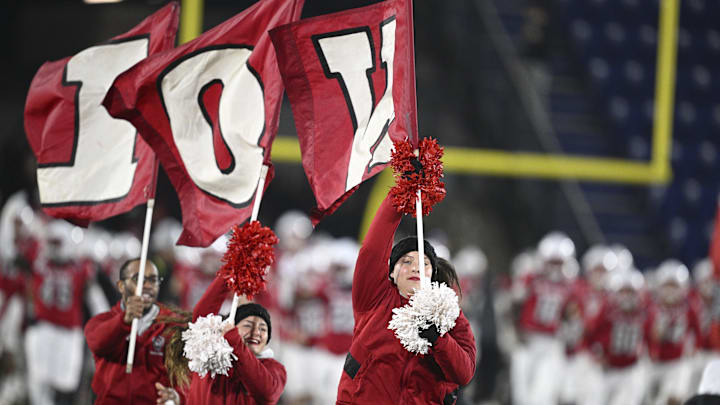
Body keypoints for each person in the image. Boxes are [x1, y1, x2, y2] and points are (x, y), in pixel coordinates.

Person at [335, 188, 476, 404]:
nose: (415, 268)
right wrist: (402, 193)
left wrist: (438, 339)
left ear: (433, 274)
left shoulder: (450, 313)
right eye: (406, 262)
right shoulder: (374, 297)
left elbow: (464, 373)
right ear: (391, 271)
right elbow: (372, 249)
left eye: (424, 264)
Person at [84, 258, 185, 404]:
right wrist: (124, 321)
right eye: (138, 279)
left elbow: (187, 377)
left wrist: (178, 397)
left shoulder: (172, 326)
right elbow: (98, 343)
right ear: (121, 286)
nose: (148, 285)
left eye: (153, 280)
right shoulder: (104, 321)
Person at [184, 272, 286, 405]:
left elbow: (267, 393)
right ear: (231, 327)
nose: (256, 332)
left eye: (263, 329)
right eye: (248, 325)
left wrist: (235, 341)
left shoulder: (274, 368)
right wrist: (229, 272)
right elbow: (201, 317)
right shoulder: (210, 353)